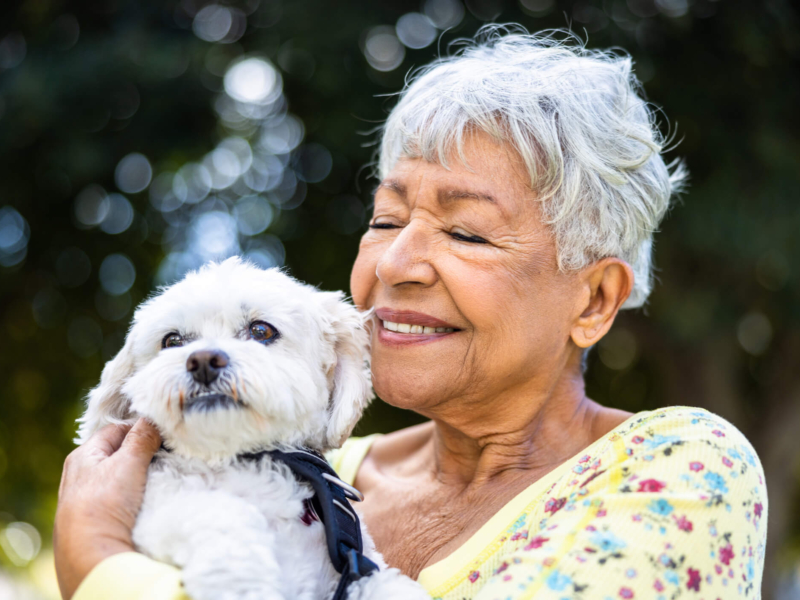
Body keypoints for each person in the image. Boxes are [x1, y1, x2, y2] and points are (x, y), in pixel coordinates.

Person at [55, 27, 768, 600]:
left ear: (595, 298)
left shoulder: (680, 470)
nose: (394, 265)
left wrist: (98, 563)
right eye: (387, 219)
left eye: (465, 232)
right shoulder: (314, 470)